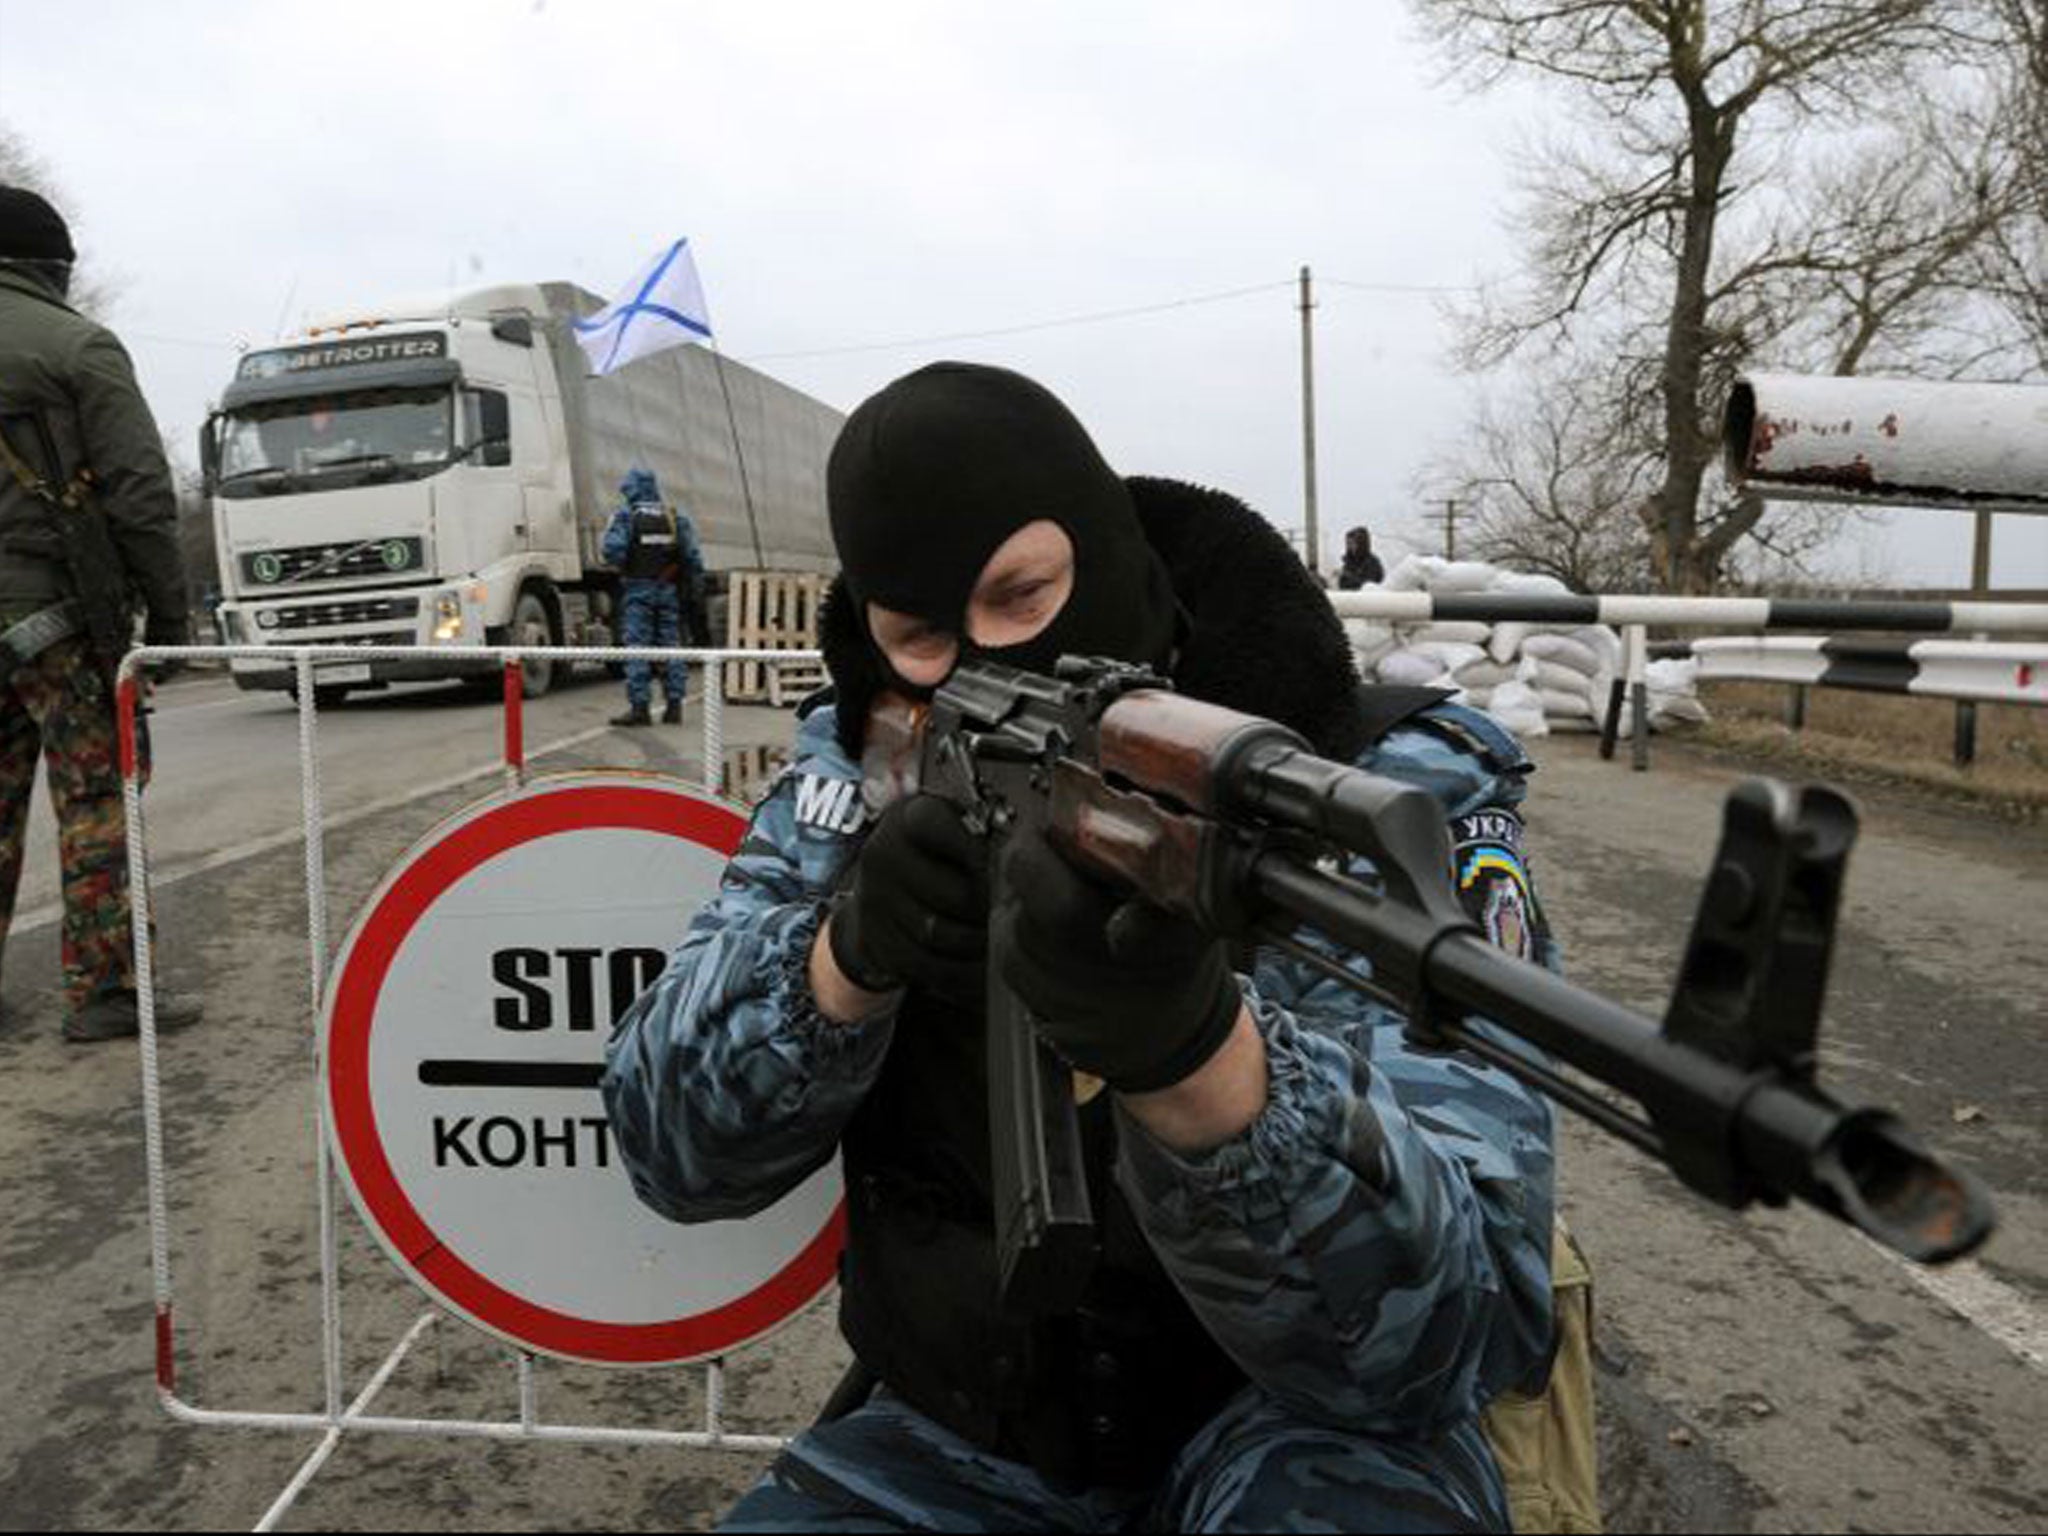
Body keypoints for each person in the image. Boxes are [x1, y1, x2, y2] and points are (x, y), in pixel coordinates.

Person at [603, 363, 1557, 1531]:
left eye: (1024, 595)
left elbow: (1452, 1342)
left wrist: (1202, 1061)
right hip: (957, 1442)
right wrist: (844, 957)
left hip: (1310, 1436)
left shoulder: (1382, 796)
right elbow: (671, 1152)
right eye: (920, 636)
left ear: (1120, 566)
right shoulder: (852, 775)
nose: (987, 661)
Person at [0, 186, 202, 1043]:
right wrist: (169, 616)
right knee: (96, 799)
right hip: (59, 623)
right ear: (51, 268)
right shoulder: (79, 347)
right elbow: (141, 495)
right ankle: (108, 989)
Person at [601, 467, 700, 726]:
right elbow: (692, 556)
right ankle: (674, 706)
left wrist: (622, 563)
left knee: (637, 648)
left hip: (638, 590)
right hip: (667, 590)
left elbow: (612, 551)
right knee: (671, 646)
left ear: (631, 488)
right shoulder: (673, 516)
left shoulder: (627, 516)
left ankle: (640, 708)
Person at [1338, 524, 1386, 589]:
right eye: (1348, 543)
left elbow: (1369, 585)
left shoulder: (1372, 563)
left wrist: (1349, 576)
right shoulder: (1348, 564)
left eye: (1353, 543)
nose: (1350, 546)